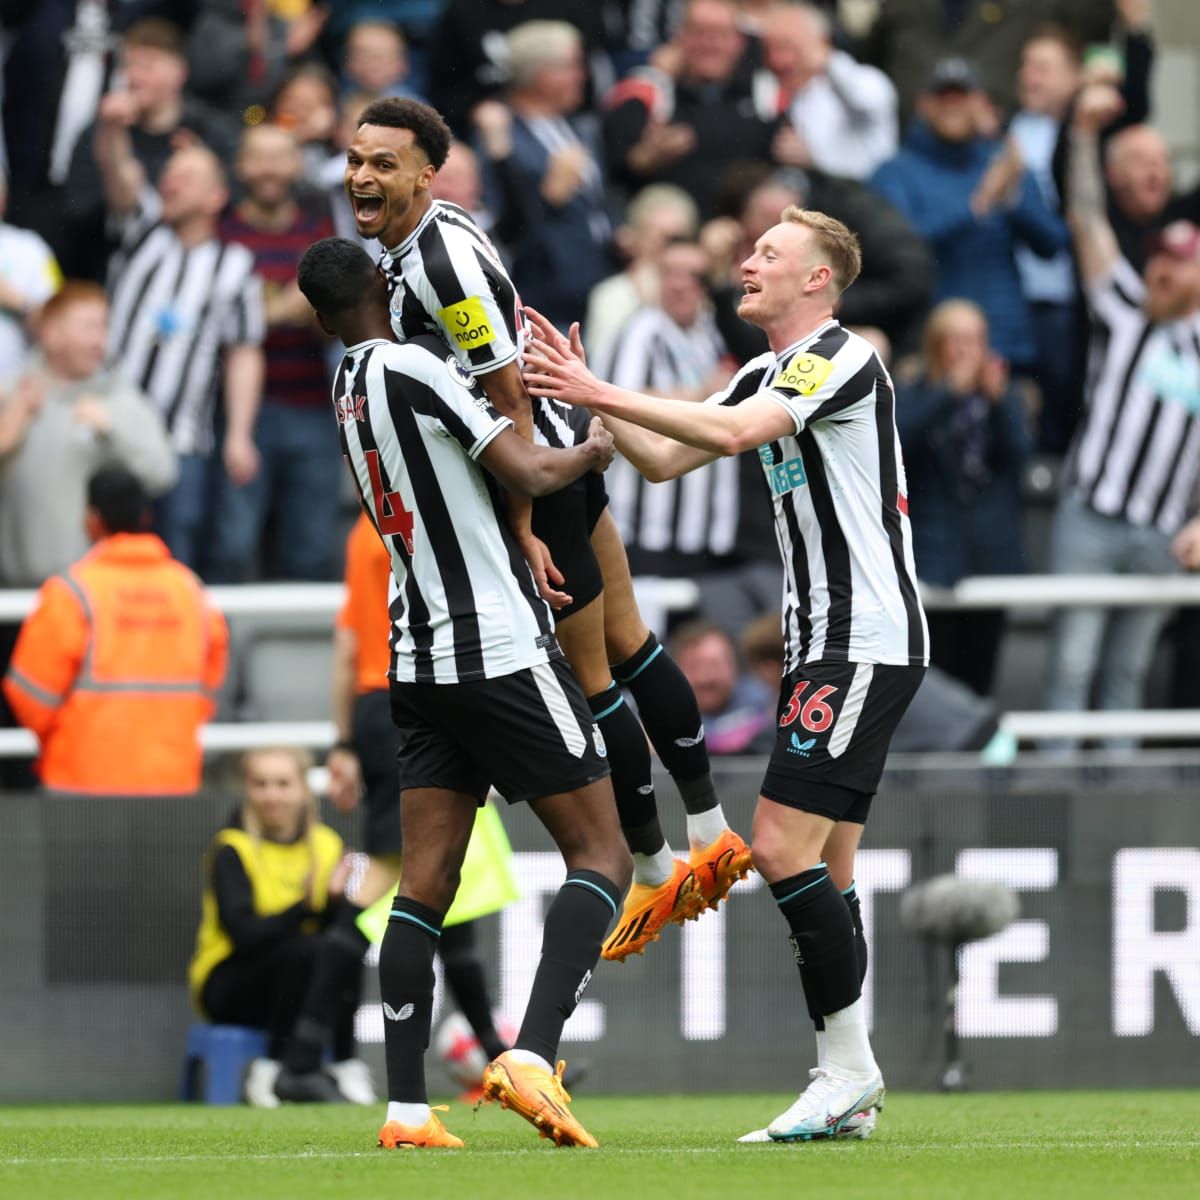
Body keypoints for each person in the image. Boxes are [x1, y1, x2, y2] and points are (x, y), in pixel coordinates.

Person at [522, 204, 928, 1142]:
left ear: (817, 279)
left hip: (859, 633)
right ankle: (849, 1088)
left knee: (779, 850)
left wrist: (602, 387)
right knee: (829, 865)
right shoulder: (761, 369)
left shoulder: (841, 354)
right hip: (829, 637)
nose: (746, 263)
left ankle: (846, 1071)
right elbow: (666, 459)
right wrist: (585, 403)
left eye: (769, 253)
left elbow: (743, 435)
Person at [344, 97, 750, 966]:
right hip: (563, 453)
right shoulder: (431, 237)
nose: (361, 177)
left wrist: (523, 522)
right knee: (630, 641)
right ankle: (710, 830)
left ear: (427, 173)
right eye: (354, 160)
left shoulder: (438, 263)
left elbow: (505, 393)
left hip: (538, 470)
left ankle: (651, 864)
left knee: (590, 673)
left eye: (383, 163)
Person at [296, 234, 630, 1150]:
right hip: (498, 649)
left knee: (422, 887)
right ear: (379, 288)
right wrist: (597, 447)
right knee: (603, 856)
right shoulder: (411, 366)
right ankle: (531, 1054)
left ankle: (406, 1111)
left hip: (415, 661)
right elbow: (524, 465)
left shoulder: (346, 384)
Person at [271, 511, 517, 1104]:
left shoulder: (363, 531)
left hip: (380, 707)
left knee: (443, 892)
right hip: (419, 699)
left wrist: (344, 740)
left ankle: (503, 1062)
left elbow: (347, 642)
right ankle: (299, 1060)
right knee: (386, 879)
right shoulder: (421, 519)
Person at [1042, 87, 1200, 750]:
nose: (1166, 270)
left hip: (1164, 532)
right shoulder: (1123, 305)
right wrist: (1081, 136)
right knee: (1071, 667)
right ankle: (1047, 816)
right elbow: (1086, 217)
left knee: (1126, 676)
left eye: (1183, 262)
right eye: (1161, 257)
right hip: (1093, 513)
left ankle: (1118, 826)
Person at [94, 109, 265, 573]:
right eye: (168, 174)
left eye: (186, 176)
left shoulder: (234, 265)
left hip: (183, 440)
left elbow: (243, 351)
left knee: (175, 555)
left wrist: (239, 435)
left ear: (216, 197)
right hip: (109, 427)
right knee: (101, 551)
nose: (171, 182)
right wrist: (112, 126)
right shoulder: (144, 232)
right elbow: (119, 173)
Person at [2, 467, 228, 796]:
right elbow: (211, 685)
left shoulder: (71, 592)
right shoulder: (190, 591)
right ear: (146, 517)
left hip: (81, 781)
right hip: (171, 782)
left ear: (92, 520)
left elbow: (29, 694)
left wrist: (65, 738)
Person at [188, 746, 374, 1109]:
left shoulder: (326, 844)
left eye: (283, 784)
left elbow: (328, 933)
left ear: (303, 789)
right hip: (229, 985)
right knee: (304, 951)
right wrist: (304, 908)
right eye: (260, 784)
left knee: (343, 947)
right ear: (247, 790)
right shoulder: (232, 849)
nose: (271, 795)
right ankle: (272, 1070)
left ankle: (345, 1063)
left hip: (298, 982)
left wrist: (335, 904)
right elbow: (245, 937)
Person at [869, 58, 1069, 377]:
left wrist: (1013, 196)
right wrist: (980, 203)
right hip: (930, 348)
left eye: (963, 97)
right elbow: (898, 248)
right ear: (923, 105)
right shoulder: (894, 172)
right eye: (943, 97)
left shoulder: (1005, 165)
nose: (953, 105)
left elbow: (1053, 244)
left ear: (982, 104)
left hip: (1005, 347)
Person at [214, 123, 339, 582]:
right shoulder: (220, 233)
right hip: (238, 413)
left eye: (279, 156)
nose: (268, 168)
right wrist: (278, 311)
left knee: (311, 549)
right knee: (232, 545)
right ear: (241, 166)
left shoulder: (319, 234)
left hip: (312, 407)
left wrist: (309, 312)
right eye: (257, 157)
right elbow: (211, 324)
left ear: (296, 165)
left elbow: (337, 324)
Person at [0, 281, 177, 587]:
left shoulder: (120, 399)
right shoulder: (12, 393)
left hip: (90, 594)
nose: (100, 341)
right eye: (88, 328)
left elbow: (163, 473)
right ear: (52, 335)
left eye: (104, 327)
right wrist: (10, 427)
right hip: (11, 597)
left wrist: (113, 429)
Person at [896, 300, 1032, 697]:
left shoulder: (1004, 399)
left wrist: (1001, 402)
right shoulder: (913, 392)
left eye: (974, 340)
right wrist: (946, 394)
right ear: (935, 345)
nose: (965, 350)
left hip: (989, 551)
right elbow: (898, 445)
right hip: (933, 554)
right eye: (955, 340)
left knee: (980, 670)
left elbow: (1019, 458)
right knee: (933, 672)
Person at [473, 21, 613, 331]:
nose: (582, 75)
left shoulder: (578, 126)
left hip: (597, 279)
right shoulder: (500, 132)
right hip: (546, 295)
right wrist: (547, 198)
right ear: (541, 74)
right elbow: (500, 222)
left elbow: (598, 204)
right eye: (572, 65)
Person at [602, 0, 782, 221]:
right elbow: (613, 174)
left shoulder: (766, 94)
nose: (709, 43)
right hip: (672, 237)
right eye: (699, 32)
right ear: (679, 37)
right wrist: (644, 159)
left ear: (740, 41)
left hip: (750, 236)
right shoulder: (650, 92)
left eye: (721, 34)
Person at [760, 2, 898, 182]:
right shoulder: (771, 89)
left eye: (786, 47)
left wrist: (817, 160)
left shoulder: (864, 81)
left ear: (822, 42)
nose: (776, 60)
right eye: (767, 49)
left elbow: (867, 103)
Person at [670, 619, 775, 756]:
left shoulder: (765, 699)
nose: (705, 678)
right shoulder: (658, 713)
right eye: (694, 667)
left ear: (734, 666)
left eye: (715, 666)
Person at [0, 169, 62, 380]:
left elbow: (62, 332)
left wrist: (17, 302)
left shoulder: (30, 249)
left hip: (14, 394)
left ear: (4, 199)